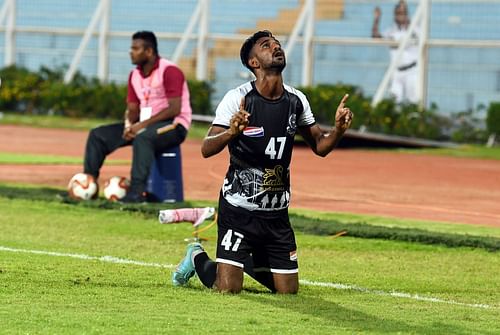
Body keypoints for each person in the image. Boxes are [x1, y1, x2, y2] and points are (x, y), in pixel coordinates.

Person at [171, 30, 353, 294]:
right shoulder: (238, 98)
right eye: (267, 46)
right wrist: (232, 132)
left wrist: (337, 130)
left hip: (276, 215)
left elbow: (321, 147)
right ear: (254, 63)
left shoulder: (296, 100)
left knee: (288, 293)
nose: (276, 48)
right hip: (238, 211)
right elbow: (206, 148)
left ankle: (241, 259)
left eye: (277, 44)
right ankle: (197, 256)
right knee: (228, 288)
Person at [83, 31, 192, 203]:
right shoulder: (134, 75)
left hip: (174, 125)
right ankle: (87, 185)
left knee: (142, 138)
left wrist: (141, 126)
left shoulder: (170, 71)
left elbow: (174, 109)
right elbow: (132, 108)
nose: (130, 51)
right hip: (144, 125)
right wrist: (128, 124)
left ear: (148, 51)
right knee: (98, 135)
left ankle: (136, 192)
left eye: (135, 48)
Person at [372, 0, 419, 104]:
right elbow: (376, 37)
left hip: (412, 71)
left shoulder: (414, 29)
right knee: (394, 101)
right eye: (398, 13)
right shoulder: (391, 31)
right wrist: (376, 19)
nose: (400, 16)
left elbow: (417, 31)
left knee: (414, 102)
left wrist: (404, 7)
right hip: (397, 72)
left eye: (402, 13)